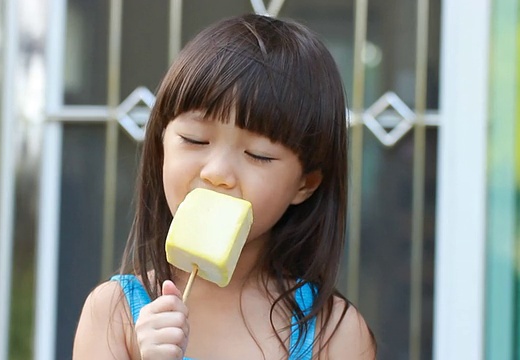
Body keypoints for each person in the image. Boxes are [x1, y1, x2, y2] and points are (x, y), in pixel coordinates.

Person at [73, 13, 376, 360]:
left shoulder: (336, 333)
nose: (217, 172)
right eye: (195, 140)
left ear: (305, 184)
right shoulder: (113, 315)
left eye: (258, 155)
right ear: (161, 148)